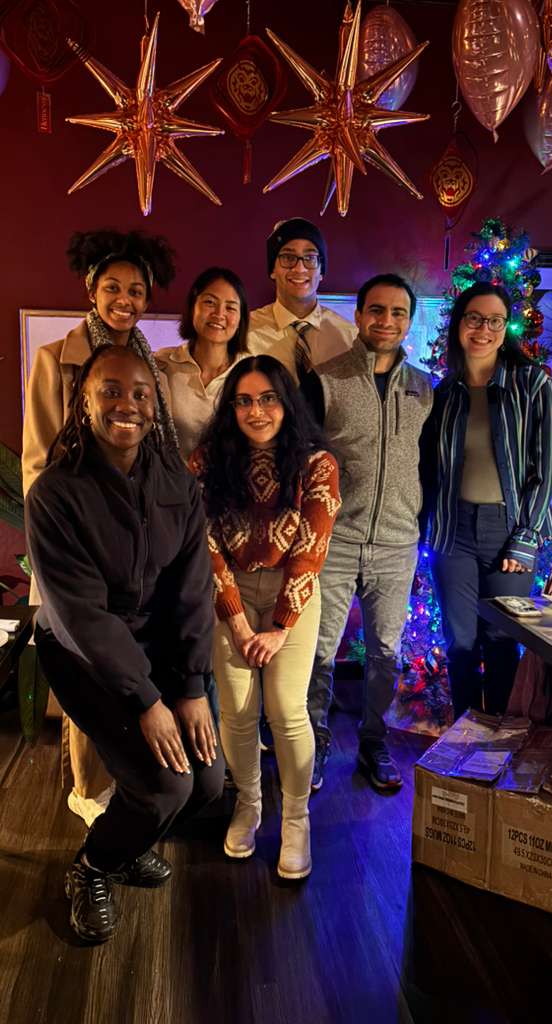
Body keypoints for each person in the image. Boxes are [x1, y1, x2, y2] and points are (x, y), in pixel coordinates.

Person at [25, 345, 224, 943]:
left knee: (208, 782)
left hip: (156, 644)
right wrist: (146, 699)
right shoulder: (56, 493)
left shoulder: (175, 482)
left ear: (154, 404)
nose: (127, 405)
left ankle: (127, 843)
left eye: (140, 393)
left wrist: (191, 687)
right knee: (164, 784)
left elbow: (193, 588)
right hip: (83, 653)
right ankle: (92, 868)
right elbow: (82, 615)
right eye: (110, 391)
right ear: (84, 401)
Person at [22, 228, 178, 827]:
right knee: (88, 672)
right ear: (92, 290)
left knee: (129, 669)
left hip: (135, 548)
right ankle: (90, 797)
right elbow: (37, 464)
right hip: (78, 545)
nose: (125, 299)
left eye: (136, 290)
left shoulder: (150, 366)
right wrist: (61, 542)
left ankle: (134, 785)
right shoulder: (53, 360)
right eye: (113, 287)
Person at [190, 355, 340, 879]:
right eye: (245, 401)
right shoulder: (207, 461)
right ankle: (249, 803)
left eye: (268, 398)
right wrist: (236, 619)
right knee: (235, 708)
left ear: (286, 402)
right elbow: (204, 542)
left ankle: (296, 818)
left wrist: (278, 629)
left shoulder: (317, 464)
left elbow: (312, 549)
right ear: (231, 408)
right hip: (228, 591)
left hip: (290, 595)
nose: (257, 411)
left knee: (286, 708)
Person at [303, 274, 432, 793]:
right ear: (358, 316)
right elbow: (302, 459)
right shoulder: (324, 380)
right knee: (318, 651)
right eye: (376, 310)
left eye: (398, 312)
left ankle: (373, 742)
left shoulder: (426, 388)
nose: (386, 321)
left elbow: (432, 465)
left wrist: (420, 522)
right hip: (335, 541)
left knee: (384, 653)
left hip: (397, 544)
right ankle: (313, 743)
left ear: (409, 321)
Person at [423, 282, 552, 720]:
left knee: (502, 641)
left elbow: (547, 468)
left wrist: (526, 538)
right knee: (460, 644)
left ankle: (497, 738)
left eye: (495, 321)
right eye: (474, 318)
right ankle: (465, 733)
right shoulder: (443, 394)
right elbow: (428, 471)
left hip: (509, 531)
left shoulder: (532, 383)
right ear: (459, 324)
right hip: (453, 533)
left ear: (506, 329)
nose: (483, 329)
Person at [156, 267, 250, 459]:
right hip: (171, 476)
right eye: (209, 302)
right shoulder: (162, 364)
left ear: (241, 318)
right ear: (193, 306)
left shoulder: (250, 373)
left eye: (230, 308)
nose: (219, 314)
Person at [246, 217, 355, 382]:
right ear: (273, 270)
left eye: (310, 258)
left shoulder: (349, 337)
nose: (299, 269)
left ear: (321, 271)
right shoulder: (245, 333)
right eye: (288, 257)